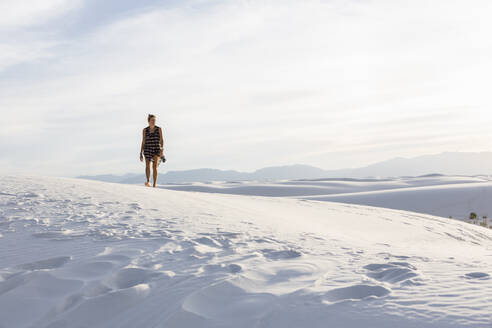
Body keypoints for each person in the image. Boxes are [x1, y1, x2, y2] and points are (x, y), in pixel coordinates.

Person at [140, 114, 164, 187]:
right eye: (152, 120)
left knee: (155, 166)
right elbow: (143, 141)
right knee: (147, 165)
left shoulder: (159, 129)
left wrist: (162, 149)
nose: (153, 122)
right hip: (147, 148)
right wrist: (141, 152)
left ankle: (154, 184)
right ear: (148, 121)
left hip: (156, 148)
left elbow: (161, 140)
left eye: (154, 120)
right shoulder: (145, 130)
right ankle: (148, 181)